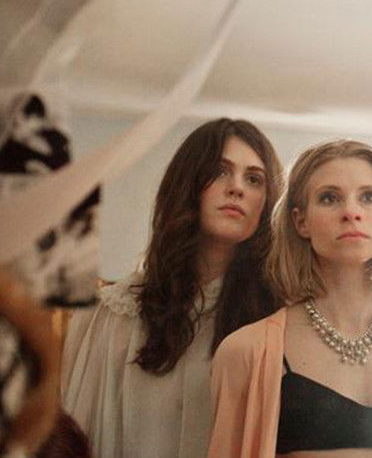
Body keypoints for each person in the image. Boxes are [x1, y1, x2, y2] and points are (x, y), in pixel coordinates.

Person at [208, 139, 372, 458]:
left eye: (368, 197)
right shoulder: (246, 351)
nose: (351, 212)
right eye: (329, 198)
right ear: (301, 221)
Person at [61, 118, 283, 458]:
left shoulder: (278, 321)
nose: (237, 188)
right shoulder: (112, 315)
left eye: (254, 179)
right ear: (188, 183)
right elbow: (77, 435)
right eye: (220, 171)